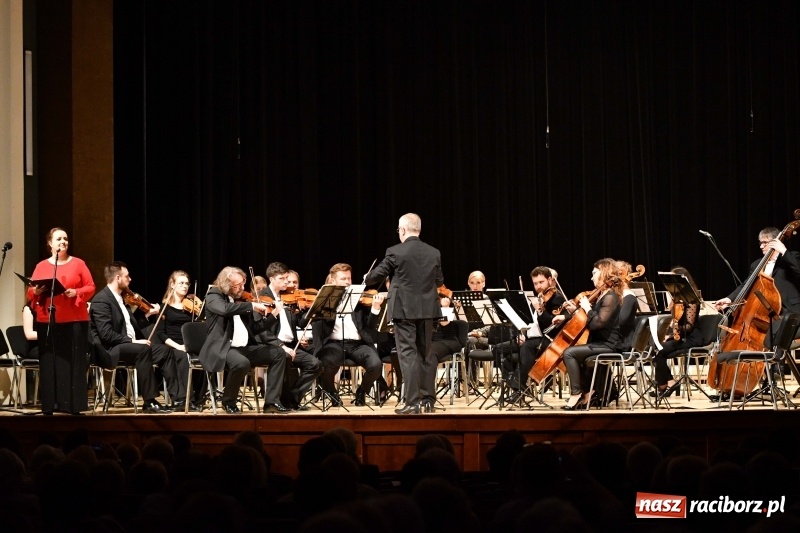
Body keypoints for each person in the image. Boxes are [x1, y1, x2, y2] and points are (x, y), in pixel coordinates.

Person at [364, 213, 444, 414]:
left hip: (403, 310)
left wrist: (367, 277)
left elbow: (375, 277)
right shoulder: (434, 252)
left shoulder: (395, 251)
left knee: (407, 355)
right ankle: (428, 400)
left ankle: (412, 402)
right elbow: (439, 280)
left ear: (402, 230)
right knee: (425, 354)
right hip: (427, 310)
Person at [199, 266, 289, 414]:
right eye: (237, 285)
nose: (242, 288)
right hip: (223, 348)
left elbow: (254, 329)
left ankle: (272, 402)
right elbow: (225, 309)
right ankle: (228, 401)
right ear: (227, 284)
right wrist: (252, 305)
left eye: (243, 284)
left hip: (244, 348)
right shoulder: (213, 295)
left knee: (278, 353)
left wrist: (274, 314)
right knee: (241, 363)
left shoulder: (239, 302)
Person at [27, 227, 95, 415]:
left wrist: (77, 292)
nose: (63, 242)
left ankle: (73, 406)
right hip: (48, 321)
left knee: (73, 363)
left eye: (65, 238)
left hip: (74, 320)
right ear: (50, 243)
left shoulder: (79, 264)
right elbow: (30, 291)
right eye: (59, 239)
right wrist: (36, 292)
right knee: (50, 362)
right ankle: (50, 404)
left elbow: (91, 286)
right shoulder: (41, 266)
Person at [88, 261, 172, 413]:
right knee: (142, 350)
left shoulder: (122, 299)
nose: (130, 279)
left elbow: (130, 326)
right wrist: (133, 341)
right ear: (118, 278)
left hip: (128, 346)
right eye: (127, 276)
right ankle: (149, 402)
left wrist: (147, 315)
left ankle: (178, 399)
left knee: (165, 351)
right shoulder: (101, 300)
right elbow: (106, 334)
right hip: (110, 349)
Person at [313, 263, 385, 407]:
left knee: (376, 365)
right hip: (334, 344)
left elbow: (370, 327)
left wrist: (375, 309)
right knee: (326, 363)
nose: (347, 282)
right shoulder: (325, 301)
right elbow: (319, 328)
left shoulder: (358, 299)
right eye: (343, 278)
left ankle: (362, 391)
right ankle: (332, 392)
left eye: (349, 278)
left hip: (358, 345)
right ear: (333, 281)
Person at [255, 262, 323, 411]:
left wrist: (312, 312)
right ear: (272, 279)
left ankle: (292, 399)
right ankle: (274, 402)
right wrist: (282, 346)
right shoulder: (262, 297)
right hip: (271, 346)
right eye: (282, 278)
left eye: (287, 278)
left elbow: (301, 323)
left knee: (315, 364)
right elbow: (262, 331)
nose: (286, 282)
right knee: (283, 357)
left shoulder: (289, 297)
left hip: (291, 345)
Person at [561, 258, 623, 410]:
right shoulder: (602, 295)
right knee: (574, 354)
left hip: (609, 345)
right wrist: (575, 311)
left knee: (569, 353)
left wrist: (588, 308)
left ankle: (576, 394)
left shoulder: (610, 297)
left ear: (604, 273)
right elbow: (589, 320)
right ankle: (588, 393)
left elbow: (597, 323)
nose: (591, 277)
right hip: (598, 343)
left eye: (594, 273)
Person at [501, 266, 566, 402]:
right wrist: (523, 334)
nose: (538, 286)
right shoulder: (539, 298)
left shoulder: (557, 298)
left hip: (552, 341)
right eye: (535, 283)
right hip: (535, 338)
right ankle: (518, 387)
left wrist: (541, 311)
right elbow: (531, 322)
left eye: (541, 282)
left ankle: (519, 390)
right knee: (501, 351)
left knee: (528, 346)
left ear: (550, 280)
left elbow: (552, 327)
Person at [714, 226, 800, 314]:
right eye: (760, 243)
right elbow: (746, 285)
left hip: (789, 309)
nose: (761, 246)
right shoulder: (756, 264)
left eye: (765, 243)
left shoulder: (791, 257)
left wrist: (783, 250)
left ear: (776, 242)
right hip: (767, 310)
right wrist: (729, 299)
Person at [152, 270, 204, 411]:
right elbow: (161, 334)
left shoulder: (191, 307)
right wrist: (178, 346)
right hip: (172, 346)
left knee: (206, 356)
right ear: (172, 285)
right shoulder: (165, 308)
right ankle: (185, 400)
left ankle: (199, 398)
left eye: (187, 283)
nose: (185, 286)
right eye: (181, 283)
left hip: (191, 345)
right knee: (182, 356)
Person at [651, 267, 705, 398]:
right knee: (654, 348)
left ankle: (665, 384)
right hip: (679, 337)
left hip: (691, 337)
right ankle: (668, 382)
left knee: (659, 351)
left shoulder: (692, 300)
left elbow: (689, 326)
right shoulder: (677, 300)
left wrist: (675, 330)